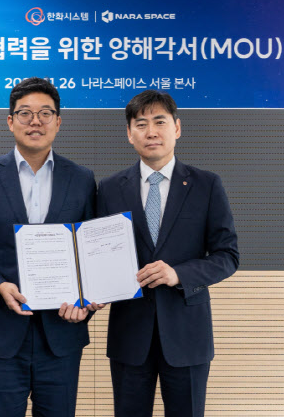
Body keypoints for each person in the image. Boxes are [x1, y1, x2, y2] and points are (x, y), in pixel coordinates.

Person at [0, 77, 95, 417]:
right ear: (10, 121)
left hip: (61, 333)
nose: (35, 121)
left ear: (58, 122)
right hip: (0, 332)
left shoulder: (81, 179)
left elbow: (92, 251)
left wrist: (87, 300)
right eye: (25, 113)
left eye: (45, 113)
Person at [94, 90, 239, 417]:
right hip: (130, 334)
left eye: (160, 122)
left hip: (187, 334)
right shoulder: (110, 188)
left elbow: (227, 256)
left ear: (177, 128)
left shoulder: (206, 185)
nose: (151, 132)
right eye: (141, 124)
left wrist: (179, 274)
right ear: (129, 133)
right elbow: (98, 255)